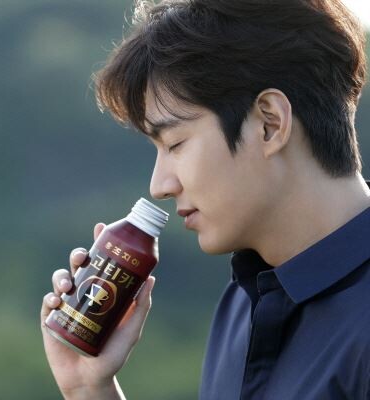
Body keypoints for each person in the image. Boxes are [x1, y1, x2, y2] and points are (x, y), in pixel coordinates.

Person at [40, 0, 370, 398]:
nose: (159, 185)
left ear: (269, 123)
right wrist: (89, 388)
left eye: (175, 143)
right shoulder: (242, 303)